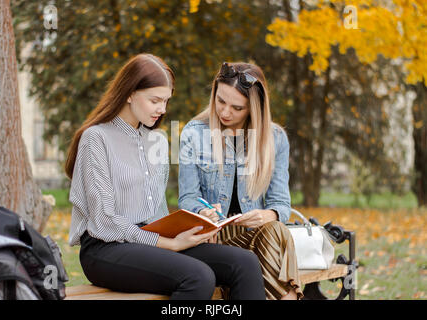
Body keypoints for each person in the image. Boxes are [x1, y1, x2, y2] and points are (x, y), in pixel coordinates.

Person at [65, 54, 266, 300]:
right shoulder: (96, 139)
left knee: (244, 262)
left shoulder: (156, 140)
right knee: (198, 276)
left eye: (166, 101)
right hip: (106, 248)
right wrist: (170, 244)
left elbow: (157, 211)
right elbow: (104, 222)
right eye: (155, 100)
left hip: (151, 241)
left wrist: (194, 225)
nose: (162, 109)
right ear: (129, 93)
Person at [178, 61, 303, 300]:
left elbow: (281, 204)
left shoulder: (275, 139)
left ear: (254, 109)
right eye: (220, 101)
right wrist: (201, 213)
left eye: (237, 107)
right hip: (214, 239)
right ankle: (291, 296)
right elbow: (187, 198)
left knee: (276, 228)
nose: (225, 112)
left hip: (259, 238)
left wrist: (269, 215)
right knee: (277, 237)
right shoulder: (194, 133)